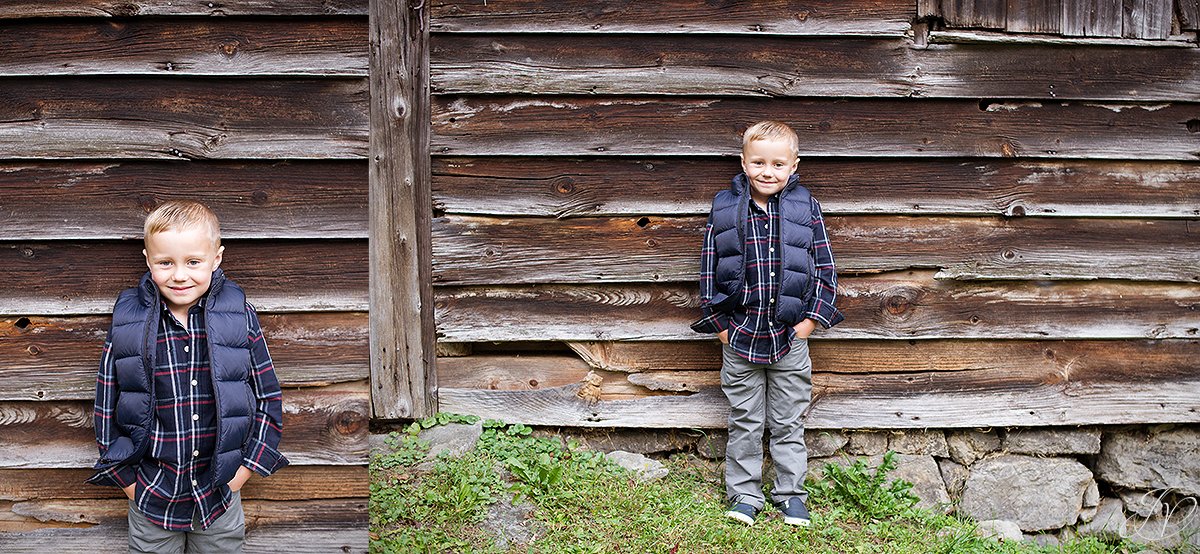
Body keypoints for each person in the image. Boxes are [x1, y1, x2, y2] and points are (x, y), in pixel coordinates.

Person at [88, 200, 288, 552]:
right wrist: (128, 482)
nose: (179, 275)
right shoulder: (129, 321)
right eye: (166, 263)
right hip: (151, 496)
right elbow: (106, 403)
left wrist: (243, 473)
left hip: (220, 495)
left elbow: (267, 395)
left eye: (193, 262)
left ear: (216, 258)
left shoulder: (238, 315)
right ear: (148, 260)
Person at [692, 121, 844, 527]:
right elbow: (709, 272)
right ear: (744, 162)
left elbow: (825, 270)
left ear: (794, 166)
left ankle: (791, 494)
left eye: (778, 163)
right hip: (739, 337)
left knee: (788, 420)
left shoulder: (804, 208)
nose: (767, 171)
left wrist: (810, 323)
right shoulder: (725, 208)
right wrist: (721, 326)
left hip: (790, 338)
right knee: (745, 419)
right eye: (758, 162)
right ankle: (744, 495)